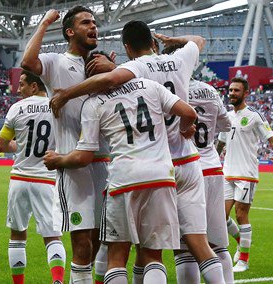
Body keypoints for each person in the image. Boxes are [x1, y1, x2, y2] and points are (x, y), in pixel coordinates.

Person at [50, 22, 224, 284]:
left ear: (127, 49)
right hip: (183, 163)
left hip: (138, 169)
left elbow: (110, 80)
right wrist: (172, 38)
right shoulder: (179, 60)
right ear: (153, 43)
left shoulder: (134, 73)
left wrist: (65, 94)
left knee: (121, 252)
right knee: (193, 245)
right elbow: (198, 40)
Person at [45, 77, 198, 284]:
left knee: (117, 256)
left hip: (123, 180)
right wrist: (183, 129)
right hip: (161, 177)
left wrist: (58, 159)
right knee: (153, 256)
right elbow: (189, 113)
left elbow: (83, 157)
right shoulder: (149, 85)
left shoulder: (93, 103)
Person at [20, 7, 113, 284]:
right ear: (70, 32)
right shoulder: (56, 63)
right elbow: (27, 61)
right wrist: (45, 22)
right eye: (86, 22)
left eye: (94, 22)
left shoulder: (103, 64)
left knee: (99, 242)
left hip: (106, 163)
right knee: (82, 244)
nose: (93, 26)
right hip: (74, 166)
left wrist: (114, 68)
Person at [217, 77, 273, 274]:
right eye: (231, 90)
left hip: (247, 174)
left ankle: (244, 260)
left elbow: (272, 140)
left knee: (241, 214)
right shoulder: (226, 116)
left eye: (236, 90)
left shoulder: (254, 116)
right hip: (227, 173)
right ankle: (240, 242)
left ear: (246, 93)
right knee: (220, 216)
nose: (232, 93)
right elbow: (220, 144)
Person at [0, 70, 66, 284]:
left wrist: (21, 146)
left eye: (23, 84)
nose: (19, 89)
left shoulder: (17, 108)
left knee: (17, 236)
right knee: (52, 237)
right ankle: (58, 280)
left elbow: (1, 145)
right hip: (46, 179)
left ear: (35, 86)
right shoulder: (57, 106)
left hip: (19, 180)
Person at [185, 75, 236, 284]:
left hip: (188, 168)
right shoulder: (210, 90)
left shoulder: (173, 86)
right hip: (213, 167)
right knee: (218, 244)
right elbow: (225, 124)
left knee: (184, 249)